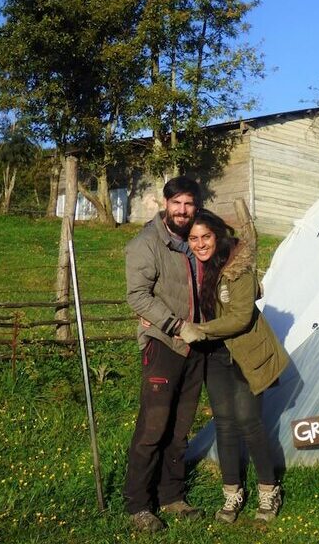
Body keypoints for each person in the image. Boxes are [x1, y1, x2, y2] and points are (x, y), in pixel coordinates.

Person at [180, 202, 289, 524]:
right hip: (214, 355)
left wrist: (199, 330)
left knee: (249, 423)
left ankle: (269, 490)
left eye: (206, 237)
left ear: (217, 237)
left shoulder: (236, 269)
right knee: (224, 424)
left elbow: (241, 318)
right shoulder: (196, 270)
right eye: (194, 238)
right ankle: (232, 493)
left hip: (244, 353)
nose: (200, 243)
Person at [123, 176, 206, 533]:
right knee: (153, 427)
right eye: (177, 203)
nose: (183, 210)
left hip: (197, 346)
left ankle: (171, 495)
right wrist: (174, 325)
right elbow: (138, 296)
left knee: (180, 428)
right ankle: (138, 503)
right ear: (165, 203)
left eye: (188, 204)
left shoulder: (196, 243)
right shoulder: (147, 244)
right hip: (163, 343)